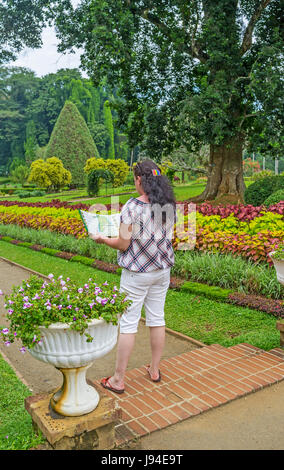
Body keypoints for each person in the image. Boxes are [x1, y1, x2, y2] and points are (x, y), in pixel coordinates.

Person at [89, 159, 176, 393]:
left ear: (139, 179)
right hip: (162, 271)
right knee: (157, 318)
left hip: (137, 274)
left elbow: (123, 244)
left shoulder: (132, 207)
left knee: (128, 323)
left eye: (135, 179)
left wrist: (102, 239)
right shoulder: (167, 204)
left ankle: (118, 379)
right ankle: (155, 370)